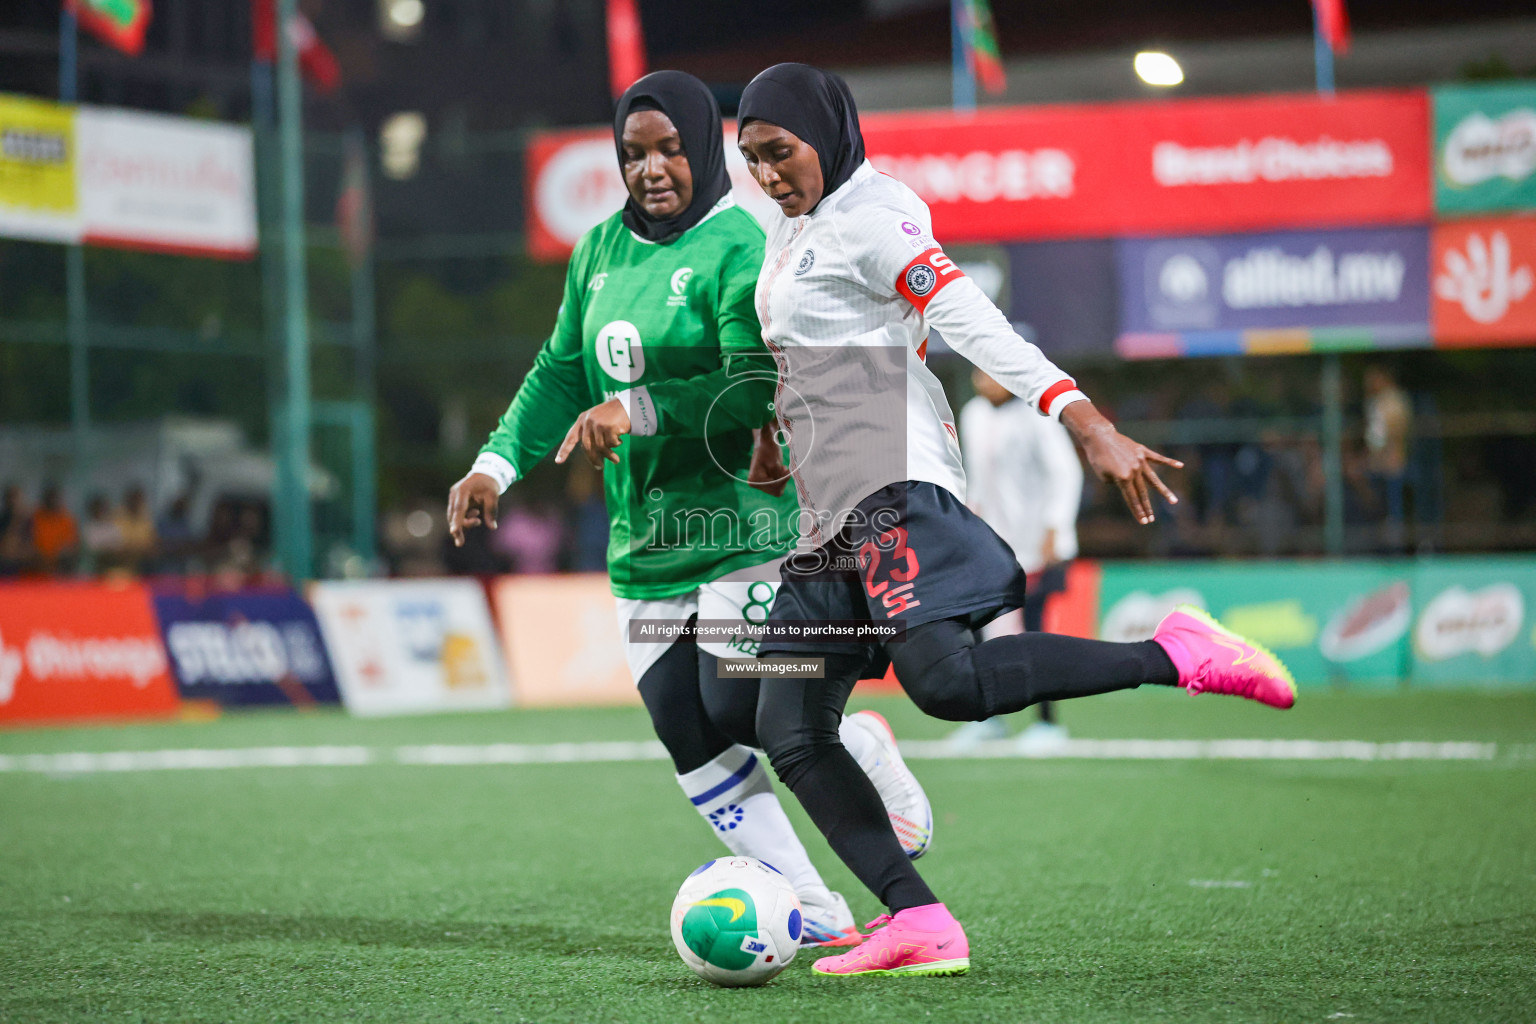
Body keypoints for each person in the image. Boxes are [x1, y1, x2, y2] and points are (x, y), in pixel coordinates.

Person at [732, 63, 1297, 978]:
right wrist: (773, 433)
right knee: (788, 726)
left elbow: (967, 316)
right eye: (751, 157)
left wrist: (1083, 417)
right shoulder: (795, 228)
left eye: (779, 152)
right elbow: (812, 350)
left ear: (827, 132)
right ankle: (919, 923)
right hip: (825, 503)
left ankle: (1179, 654)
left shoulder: (872, 217)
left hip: (887, 477)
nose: (766, 172)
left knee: (947, 685)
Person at [446, 71, 931, 948]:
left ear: (706, 147)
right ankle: (813, 908)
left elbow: (757, 386)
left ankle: (857, 744)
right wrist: (493, 463)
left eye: (671, 148)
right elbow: (561, 372)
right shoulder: (597, 251)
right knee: (686, 729)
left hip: (738, 528)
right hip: (645, 540)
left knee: (741, 707)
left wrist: (634, 408)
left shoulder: (739, 244)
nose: (652, 168)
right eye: (634, 154)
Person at [947, 368, 1083, 751]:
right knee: (978, 629)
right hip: (991, 544)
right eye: (975, 374)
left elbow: (1065, 472)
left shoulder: (1035, 415)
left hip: (1037, 544)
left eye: (990, 374)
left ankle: (1047, 724)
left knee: (1034, 631)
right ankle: (989, 717)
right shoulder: (973, 414)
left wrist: (1056, 525)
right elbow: (972, 475)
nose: (982, 381)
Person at [1363, 365, 1411, 551]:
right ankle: (1379, 548)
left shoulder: (1394, 399)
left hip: (1391, 462)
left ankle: (1395, 551)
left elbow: (1396, 431)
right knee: (1377, 508)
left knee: (1393, 510)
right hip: (1377, 462)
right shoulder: (1375, 400)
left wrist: (1389, 455)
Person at [31, 485, 78, 576]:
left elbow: (72, 545)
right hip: (37, 562)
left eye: (55, 498)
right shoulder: (35, 517)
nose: (52, 501)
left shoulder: (67, 519)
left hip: (60, 565)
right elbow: (30, 542)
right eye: (50, 498)